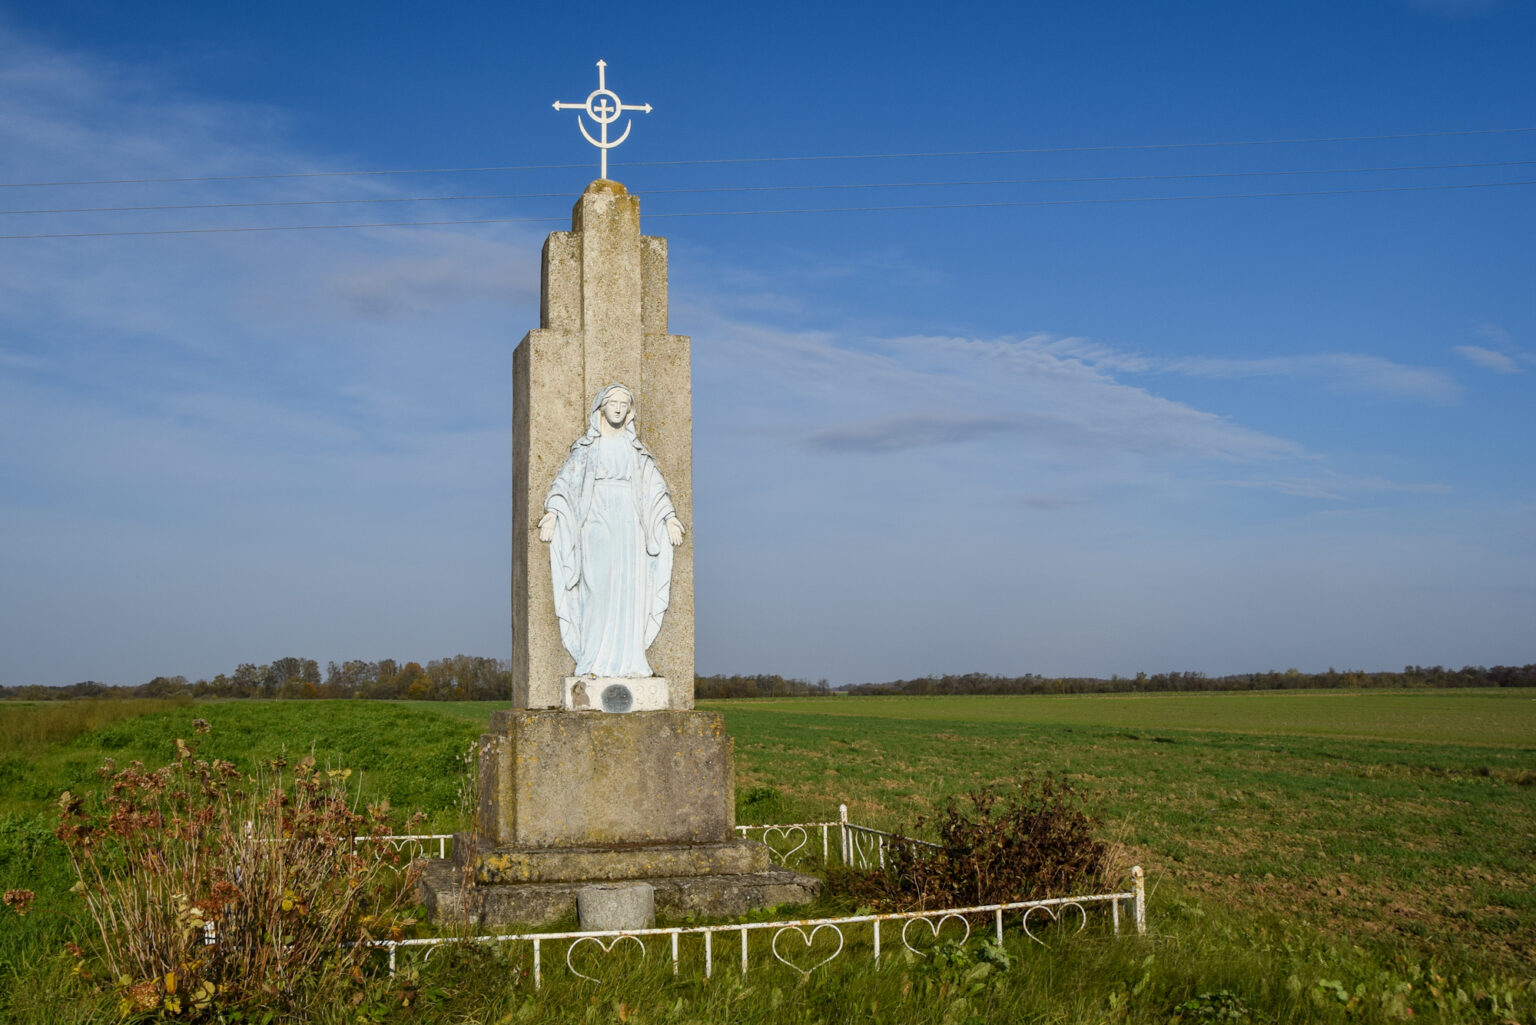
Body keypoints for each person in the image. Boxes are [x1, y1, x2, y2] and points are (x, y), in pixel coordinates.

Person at [538, 384, 685, 678]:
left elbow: (655, 488)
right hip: (596, 517)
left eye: (624, 403)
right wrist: (553, 513)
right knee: (597, 587)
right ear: (601, 407)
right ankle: (592, 658)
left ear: (629, 410)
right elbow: (565, 484)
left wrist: (669, 518)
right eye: (613, 402)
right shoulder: (587, 448)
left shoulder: (636, 450)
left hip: (630, 522)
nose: (618, 408)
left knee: (629, 588)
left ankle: (630, 660)